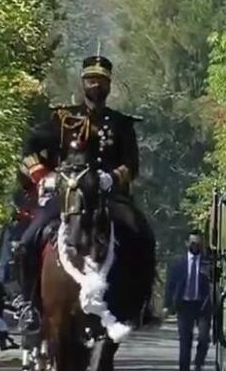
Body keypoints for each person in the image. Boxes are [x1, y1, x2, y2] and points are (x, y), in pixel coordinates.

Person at [16, 54, 157, 321]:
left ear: (109, 85)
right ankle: (29, 303)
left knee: (143, 234)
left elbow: (131, 164)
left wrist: (112, 178)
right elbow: (29, 147)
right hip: (68, 194)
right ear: (83, 82)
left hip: (109, 196)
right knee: (27, 241)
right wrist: (44, 176)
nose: (96, 84)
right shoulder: (63, 119)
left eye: (101, 80)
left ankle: (140, 304)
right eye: (91, 79)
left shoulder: (120, 124)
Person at [165, 230, 212, 371]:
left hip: (203, 305)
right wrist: (167, 305)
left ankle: (198, 366)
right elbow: (170, 285)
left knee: (204, 338)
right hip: (184, 305)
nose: (195, 246)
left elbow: (215, 282)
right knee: (185, 340)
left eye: (198, 243)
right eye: (192, 243)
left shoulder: (208, 262)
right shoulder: (178, 263)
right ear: (187, 243)